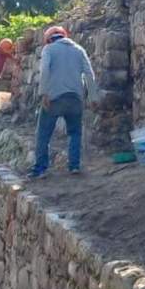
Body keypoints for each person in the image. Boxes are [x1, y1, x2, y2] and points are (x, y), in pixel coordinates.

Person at [27, 25, 99, 178]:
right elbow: (89, 74)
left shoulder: (49, 49)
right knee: (75, 133)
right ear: (64, 36)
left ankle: (40, 169)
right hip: (75, 98)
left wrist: (44, 93)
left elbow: (45, 70)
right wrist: (93, 97)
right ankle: (74, 166)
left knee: (43, 134)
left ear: (49, 39)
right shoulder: (79, 50)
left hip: (54, 98)